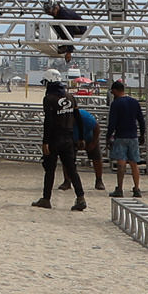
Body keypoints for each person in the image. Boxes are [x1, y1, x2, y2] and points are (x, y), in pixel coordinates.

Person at [34, 71, 86, 211]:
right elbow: (78, 118)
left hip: (54, 138)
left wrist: (45, 142)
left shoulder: (49, 99)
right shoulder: (70, 97)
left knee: (50, 169)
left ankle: (46, 199)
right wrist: (81, 137)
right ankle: (80, 197)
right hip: (68, 137)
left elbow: (48, 121)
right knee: (71, 169)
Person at [104, 77, 146, 197]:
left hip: (121, 136)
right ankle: (137, 188)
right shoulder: (134, 102)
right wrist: (142, 134)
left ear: (116, 91)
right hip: (133, 136)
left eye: (113, 92)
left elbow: (112, 123)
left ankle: (120, 189)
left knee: (121, 163)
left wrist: (108, 137)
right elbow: (141, 120)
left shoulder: (116, 104)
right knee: (134, 163)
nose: (112, 94)